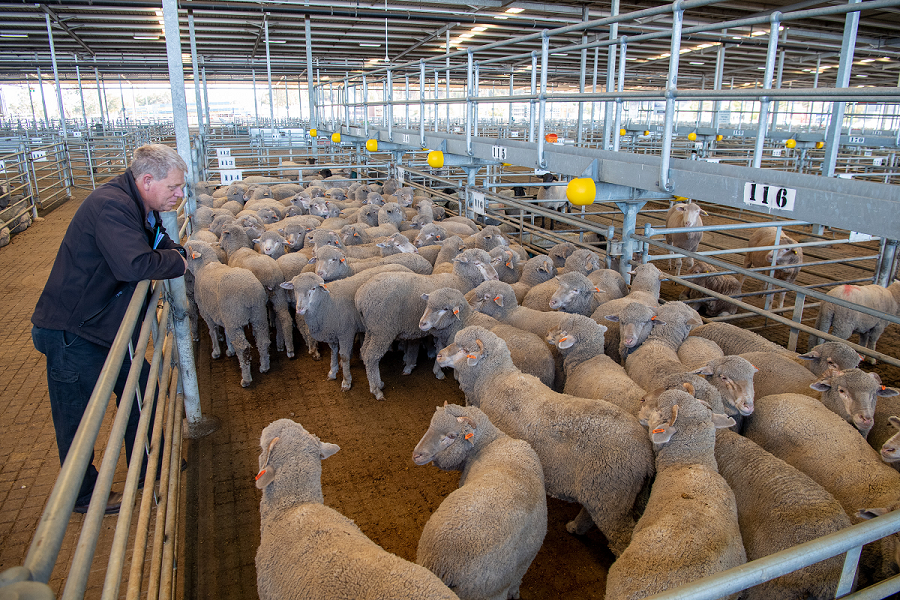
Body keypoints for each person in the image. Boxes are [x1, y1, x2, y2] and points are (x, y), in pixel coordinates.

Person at [32, 144, 189, 515]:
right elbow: (135, 263)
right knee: (79, 417)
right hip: (74, 332)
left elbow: (157, 243)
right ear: (147, 180)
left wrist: (175, 251)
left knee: (140, 388)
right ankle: (81, 496)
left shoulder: (140, 205)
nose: (180, 195)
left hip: (105, 328)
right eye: (174, 187)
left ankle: (145, 466)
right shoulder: (111, 206)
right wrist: (178, 263)